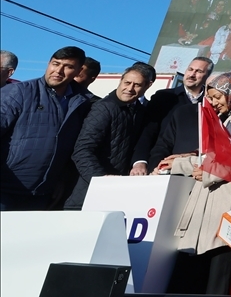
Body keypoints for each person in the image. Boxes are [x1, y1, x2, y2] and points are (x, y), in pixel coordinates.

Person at [167, 72, 231, 295]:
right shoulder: (229, 115)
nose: (213, 102)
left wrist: (189, 166)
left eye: (217, 97)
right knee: (201, 264)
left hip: (224, 195)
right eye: (211, 97)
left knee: (217, 262)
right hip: (210, 194)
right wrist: (183, 163)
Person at [1, 47, 89, 210]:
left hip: (42, 193)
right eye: (55, 64)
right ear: (48, 64)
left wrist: (60, 179)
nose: (58, 71)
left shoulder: (82, 103)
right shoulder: (18, 92)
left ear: (78, 70)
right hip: (5, 188)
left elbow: (71, 148)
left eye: (68, 66)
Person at [65, 66, 150, 209]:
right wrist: (101, 179)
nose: (130, 89)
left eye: (137, 85)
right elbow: (82, 150)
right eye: (127, 83)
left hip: (116, 192)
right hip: (87, 193)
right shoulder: (103, 108)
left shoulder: (140, 112)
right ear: (120, 81)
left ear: (147, 86)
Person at [131, 57, 214, 175]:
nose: (192, 74)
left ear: (207, 76)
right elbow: (147, 133)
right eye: (190, 69)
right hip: (157, 167)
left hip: (191, 170)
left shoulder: (211, 104)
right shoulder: (164, 98)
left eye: (199, 71)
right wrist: (140, 161)